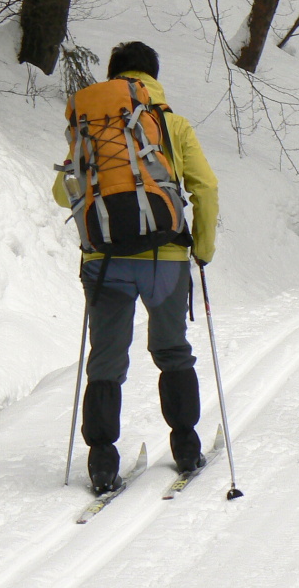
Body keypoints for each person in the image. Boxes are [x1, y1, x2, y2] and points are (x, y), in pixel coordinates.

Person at [54, 41, 219, 493]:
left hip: (105, 261)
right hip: (164, 258)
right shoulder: (173, 123)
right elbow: (205, 186)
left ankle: (102, 460)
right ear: (153, 75)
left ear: (113, 76)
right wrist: (202, 248)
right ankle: (186, 444)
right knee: (171, 349)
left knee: (106, 357)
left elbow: (60, 190)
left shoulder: (93, 123)